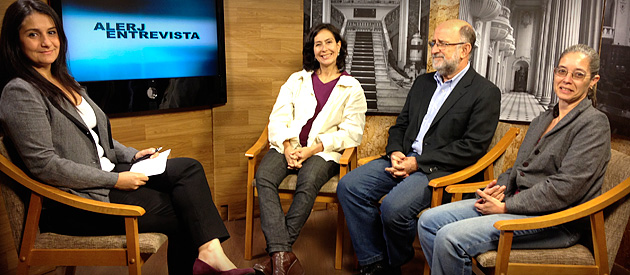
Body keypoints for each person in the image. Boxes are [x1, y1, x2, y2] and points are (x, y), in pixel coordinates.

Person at [0, 1, 253, 274]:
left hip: (105, 173)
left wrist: (132, 155)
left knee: (189, 168)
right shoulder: (20, 92)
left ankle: (211, 255)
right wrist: (116, 180)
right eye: (33, 34)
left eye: (51, 32)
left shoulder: (65, 80)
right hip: (75, 203)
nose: (46, 42)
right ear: (16, 41)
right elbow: (45, 166)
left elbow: (96, 138)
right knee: (182, 209)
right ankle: (212, 262)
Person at [417, 44, 611, 275]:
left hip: (554, 221)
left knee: (449, 238)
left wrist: (505, 206)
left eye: (578, 74)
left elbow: (565, 188)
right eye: (562, 71)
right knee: (428, 222)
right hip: (514, 204)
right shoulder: (543, 118)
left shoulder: (594, 124)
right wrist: (499, 187)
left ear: (593, 81)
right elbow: (519, 168)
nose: (567, 79)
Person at [336, 19, 501, 274]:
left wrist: (417, 163)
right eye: (434, 42)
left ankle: (395, 260)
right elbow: (400, 125)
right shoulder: (423, 83)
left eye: (443, 43)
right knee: (349, 186)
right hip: (403, 158)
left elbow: (472, 147)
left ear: (465, 50)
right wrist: (395, 152)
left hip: (438, 170)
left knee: (393, 209)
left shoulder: (485, 92)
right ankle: (375, 263)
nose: (434, 49)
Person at [252, 23, 367, 275]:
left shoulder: (352, 87)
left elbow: (351, 133)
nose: (323, 48)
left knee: (309, 178)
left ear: (339, 46)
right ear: (312, 50)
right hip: (288, 146)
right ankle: (283, 256)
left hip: (322, 153)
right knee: (264, 177)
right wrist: (285, 147)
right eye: (318, 44)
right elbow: (278, 117)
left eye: (328, 42)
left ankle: (277, 255)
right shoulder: (297, 79)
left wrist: (312, 150)